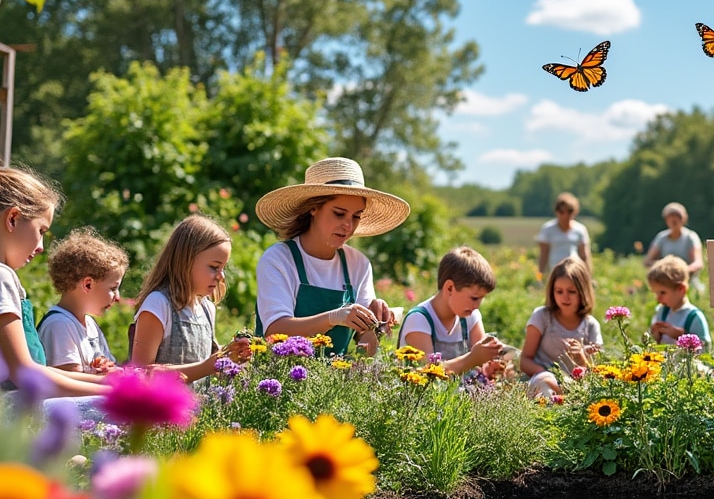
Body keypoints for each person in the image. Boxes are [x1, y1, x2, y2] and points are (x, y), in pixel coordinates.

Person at [0, 150, 107, 399]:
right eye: (41, 231)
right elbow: (24, 373)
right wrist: (114, 394)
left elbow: (35, 370)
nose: (41, 247)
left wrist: (104, 383)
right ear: (13, 218)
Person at [255, 157, 408, 357]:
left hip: (335, 382)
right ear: (313, 208)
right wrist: (334, 317)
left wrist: (374, 324)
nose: (348, 225)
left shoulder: (358, 264)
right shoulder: (278, 259)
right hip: (278, 380)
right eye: (339, 213)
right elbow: (275, 330)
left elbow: (365, 346)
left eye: (356, 216)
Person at [130, 215, 252, 381]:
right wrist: (208, 366)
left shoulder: (206, 308)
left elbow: (207, 361)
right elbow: (140, 374)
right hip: (163, 406)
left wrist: (232, 354)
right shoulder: (158, 304)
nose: (221, 276)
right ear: (185, 261)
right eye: (214, 267)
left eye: (223, 268)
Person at [398, 246, 506, 375]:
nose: (477, 305)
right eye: (474, 298)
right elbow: (426, 375)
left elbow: (480, 360)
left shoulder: (471, 316)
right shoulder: (419, 319)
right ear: (449, 288)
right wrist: (472, 359)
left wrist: (489, 364)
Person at [39, 227, 128, 374]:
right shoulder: (59, 325)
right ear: (88, 284)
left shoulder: (90, 324)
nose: (117, 297)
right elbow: (70, 382)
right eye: (113, 288)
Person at [520, 256, 602, 396]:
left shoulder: (590, 325)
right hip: (541, 382)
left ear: (583, 292)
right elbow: (525, 360)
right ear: (552, 291)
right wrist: (548, 377)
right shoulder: (542, 317)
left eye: (571, 291)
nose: (565, 297)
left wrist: (581, 357)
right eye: (559, 291)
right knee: (545, 384)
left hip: (577, 386)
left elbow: (595, 372)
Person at [647, 255, 711, 347]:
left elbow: (706, 349)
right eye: (655, 293)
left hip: (687, 361)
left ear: (682, 289)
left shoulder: (694, 317)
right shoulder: (661, 312)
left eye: (662, 293)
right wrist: (654, 336)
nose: (658, 298)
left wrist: (682, 336)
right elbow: (653, 344)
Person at [643, 202, 703, 285]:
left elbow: (698, 263)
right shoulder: (661, 238)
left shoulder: (691, 237)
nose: (673, 220)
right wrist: (666, 267)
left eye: (677, 217)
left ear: (684, 219)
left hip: (688, 282)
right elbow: (647, 261)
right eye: (670, 217)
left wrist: (682, 271)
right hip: (666, 283)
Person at [536, 192, 592, 277]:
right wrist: (539, 277)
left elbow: (584, 256)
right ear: (556, 212)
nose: (565, 216)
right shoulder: (547, 229)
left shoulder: (580, 229)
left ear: (575, 212)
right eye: (561, 212)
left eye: (569, 211)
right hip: (555, 272)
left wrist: (588, 277)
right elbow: (543, 256)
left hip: (574, 272)